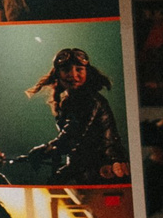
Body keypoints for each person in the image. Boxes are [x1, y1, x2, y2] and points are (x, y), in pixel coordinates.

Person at [20, 48, 127, 183]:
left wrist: (44, 150)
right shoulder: (71, 100)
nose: (73, 75)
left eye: (79, 69)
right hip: (89, 167)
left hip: (104, 169)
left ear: (87, 72)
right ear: (58, 74)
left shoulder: (89, 100)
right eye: (66, 70)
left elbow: (72, 135)